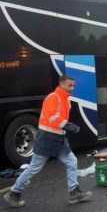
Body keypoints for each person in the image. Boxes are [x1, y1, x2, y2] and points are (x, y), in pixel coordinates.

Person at [4, 75, 93, 208]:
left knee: (71, 161)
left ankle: (74, 192)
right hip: (47, 138)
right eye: (70, 85)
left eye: (73, 85)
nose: (72, 88)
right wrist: (68, 126)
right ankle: (13, 193)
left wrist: (66, 127)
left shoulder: (66, 100)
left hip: (59, 138)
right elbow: (52, 117)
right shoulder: (53, 97)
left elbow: (58, 119)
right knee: (34, 168)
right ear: (61, 84)